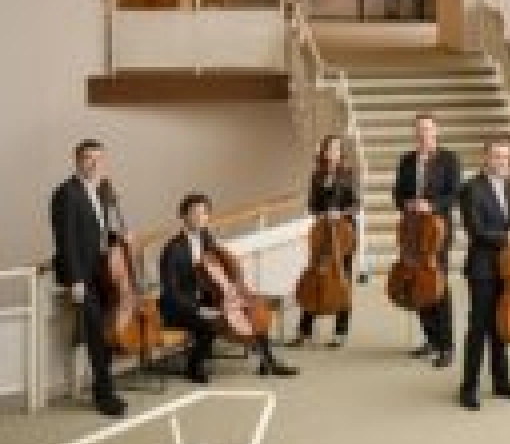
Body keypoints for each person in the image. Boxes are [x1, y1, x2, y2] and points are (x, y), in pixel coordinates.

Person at [159, 193, 298, 381]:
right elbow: (171, 291)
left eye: (204, 213)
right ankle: (194, 366)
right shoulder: (173, 248)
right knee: (208, 324)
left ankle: (268, 362)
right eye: (195, 213)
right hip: (181, 306)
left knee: (252, 312)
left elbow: (222, 268)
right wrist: (198, 309)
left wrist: (232, 287)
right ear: (183, 216)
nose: (200, 218)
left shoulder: (207, 239)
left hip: (208, 297)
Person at [49, 139, 127, 416]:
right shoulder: (66, 193)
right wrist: (75, 280)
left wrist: (120, 237)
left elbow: (100, 234)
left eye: (99, 159)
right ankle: (105, 397)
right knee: (95, 335)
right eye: (88, 158)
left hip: (103, 274)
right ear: (77, 160)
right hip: (83, 277)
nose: (94, 164)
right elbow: (65, 240)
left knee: (104, 333)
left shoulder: (99, 192)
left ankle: (103, 390)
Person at [458, 140, 510, 411]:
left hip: (508, 267)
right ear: (485, 158)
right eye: (497, 156)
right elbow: (476, 231)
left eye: (506, 157)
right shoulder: (471, 188)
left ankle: (501, 382)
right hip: (482, 269)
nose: (502, 161)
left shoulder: (509, 187)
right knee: (478, 329)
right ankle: (469, 388)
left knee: (501, 326)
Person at [392, 113, 461, 368]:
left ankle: (447, 346)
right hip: (412, 231)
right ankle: (431, 339)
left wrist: (431, 205)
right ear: (415, 133)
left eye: (428, 129)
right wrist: (407, 204)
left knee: (438, 286)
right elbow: (397, 194)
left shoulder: (449, 159)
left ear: (436, 131)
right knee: (417, 283)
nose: (424, 134)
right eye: (420, 129)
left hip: (437, 232)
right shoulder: (406, 160)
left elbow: (454, 194)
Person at [290, 135, 359, 348]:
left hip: (343, 232)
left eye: (336, 149)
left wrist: (339, 213)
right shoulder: (317, 176)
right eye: (329, 149)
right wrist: (321, 213)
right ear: (324, 152)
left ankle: (340, 332)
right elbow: (312, 205)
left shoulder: (349, 174)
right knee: (314, 277)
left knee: (343, 281)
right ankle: (304, 331)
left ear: (341, 153)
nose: (333, 153)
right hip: (322, 232)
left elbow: (356, 205)